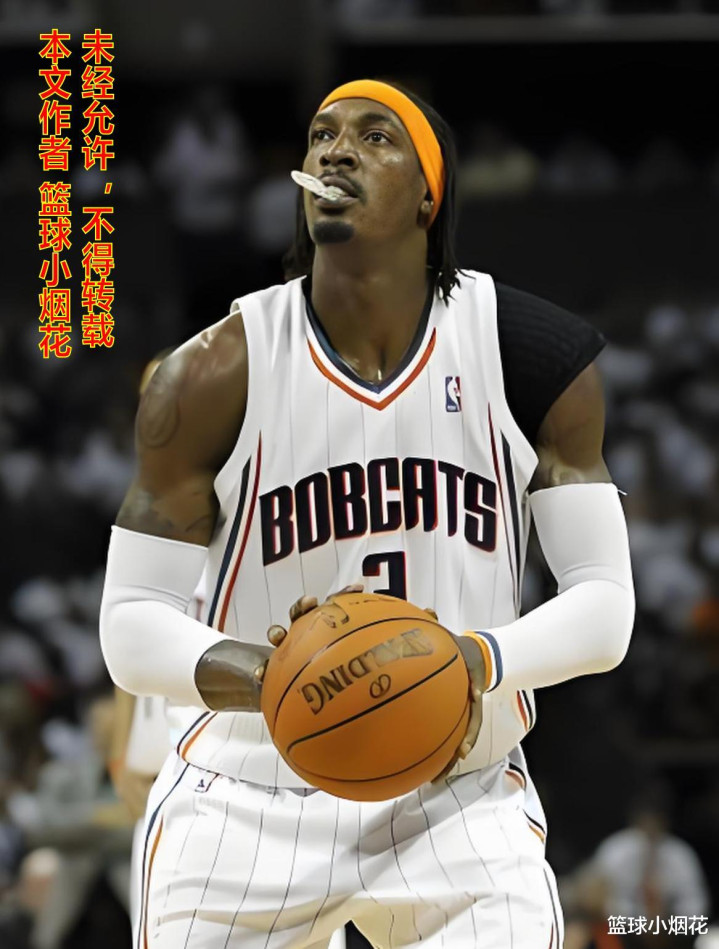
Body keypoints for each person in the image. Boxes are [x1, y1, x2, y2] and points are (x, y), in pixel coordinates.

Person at [99, 78, 635, 948]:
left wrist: (470, 660)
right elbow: (129, 622)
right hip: (246, 799)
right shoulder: (209, 373)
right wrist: (276, 676)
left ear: (429, 194)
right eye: (321, 136)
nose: (336, 151)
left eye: (374, 136)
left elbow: (604, 606)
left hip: (458, 789)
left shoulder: (529, 354)